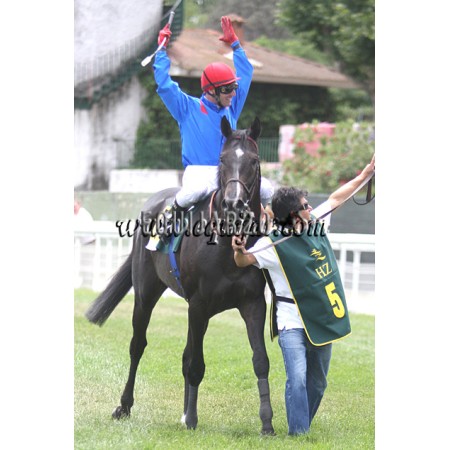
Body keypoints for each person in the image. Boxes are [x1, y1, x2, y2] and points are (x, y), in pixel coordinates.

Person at [231, 155, 375, 435]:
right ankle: (298, 435)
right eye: (305, 206)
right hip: (291, 321)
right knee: (296, 378)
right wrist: (237, 250)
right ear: (293, 215)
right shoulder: (271, 244)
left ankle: (302, 426)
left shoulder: (316, 223)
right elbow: (243, 261)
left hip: (320, 317)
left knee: (318, 384)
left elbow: (336, 198)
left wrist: (366, 174)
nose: (310, 208)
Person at [152, 16, 274, 226]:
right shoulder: (187, 108)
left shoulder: (231, 105)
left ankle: (262, 224)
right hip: (198, 173)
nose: (233, 93)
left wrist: (235, 45)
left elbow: (246, 72)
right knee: (194, 192)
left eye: (234, 88)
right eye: (228, 89)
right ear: (211, 91)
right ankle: (167, 224)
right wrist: (162, 50)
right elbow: (164, 84)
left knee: (267, 189)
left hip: (229, 171)